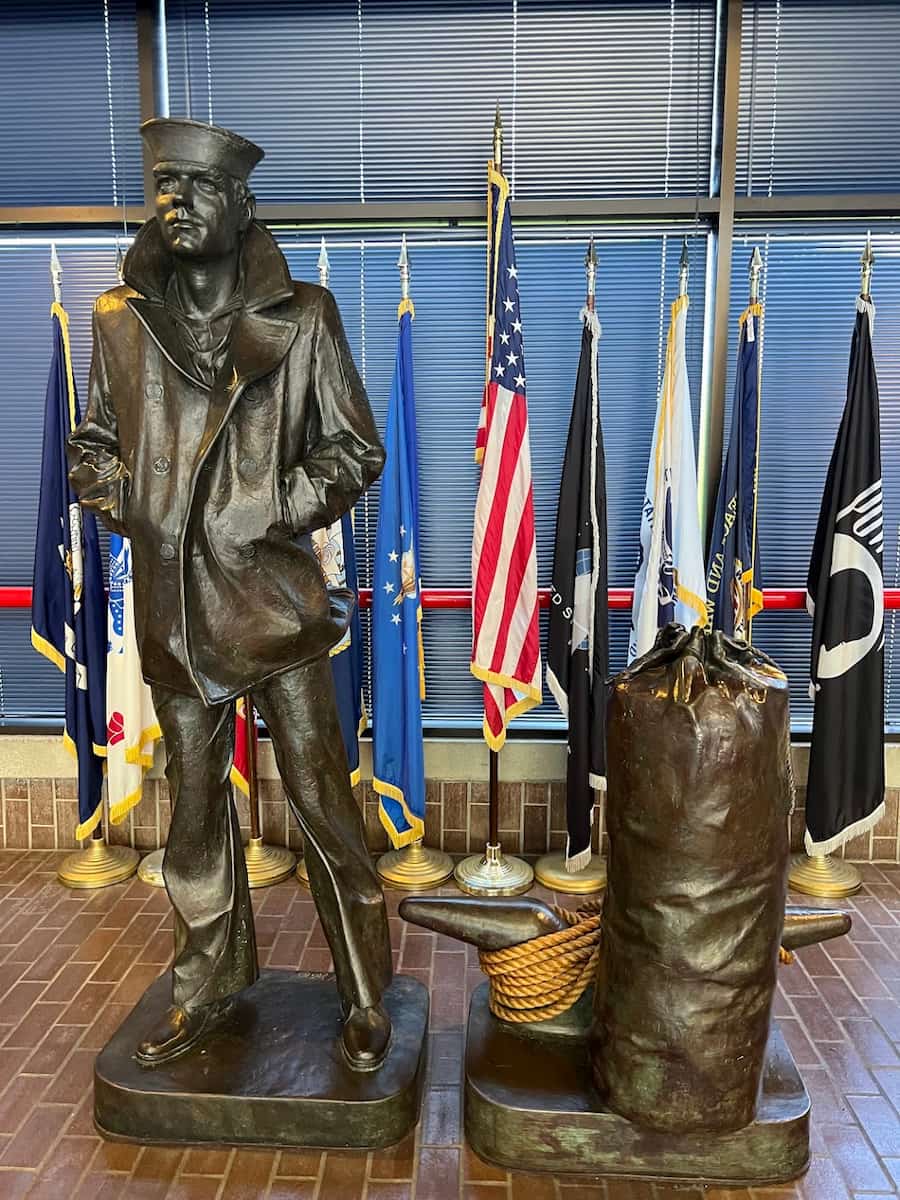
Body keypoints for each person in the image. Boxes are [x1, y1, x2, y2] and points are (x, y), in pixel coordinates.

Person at [68, 118, 393, 1071]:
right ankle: (208, 986)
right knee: (195, 819)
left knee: (324, 810)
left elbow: (354, 449)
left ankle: (365, 994)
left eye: (199, 187)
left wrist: (266, 506)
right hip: (176, 612)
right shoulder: (116, 323)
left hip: (275, 612)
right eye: (164, 185)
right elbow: (92, 446)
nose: (176, 201)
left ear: (243, 207)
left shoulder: (307, 317)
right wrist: (131, 504)